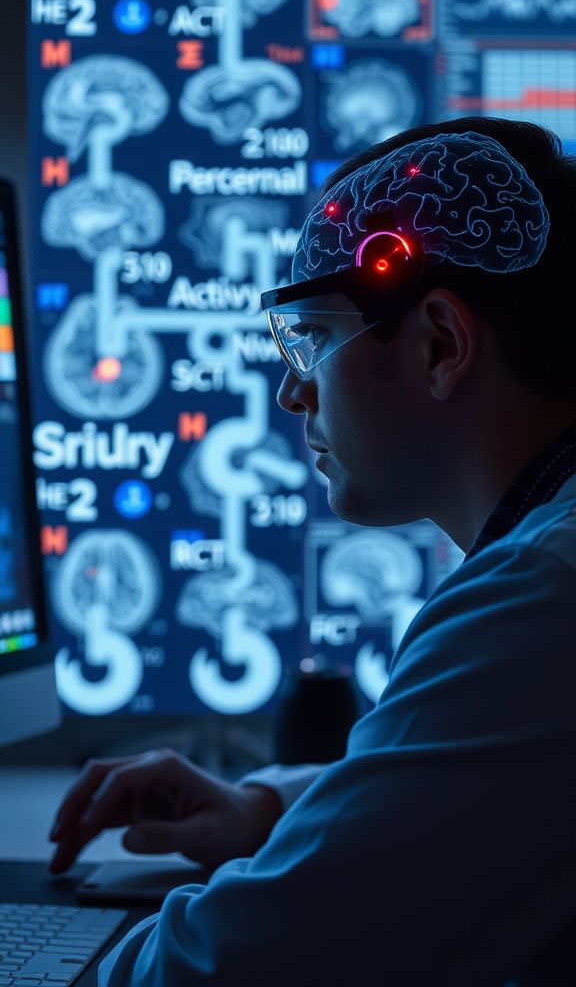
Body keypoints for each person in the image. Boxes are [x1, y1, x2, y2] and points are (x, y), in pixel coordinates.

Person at [50, 117, 576, 986]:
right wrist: (271, 810)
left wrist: (63, 967)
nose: (295, 390)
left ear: (440, 345)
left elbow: (243, 966)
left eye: (315, 337)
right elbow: (485, 800)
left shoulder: (541, 598)